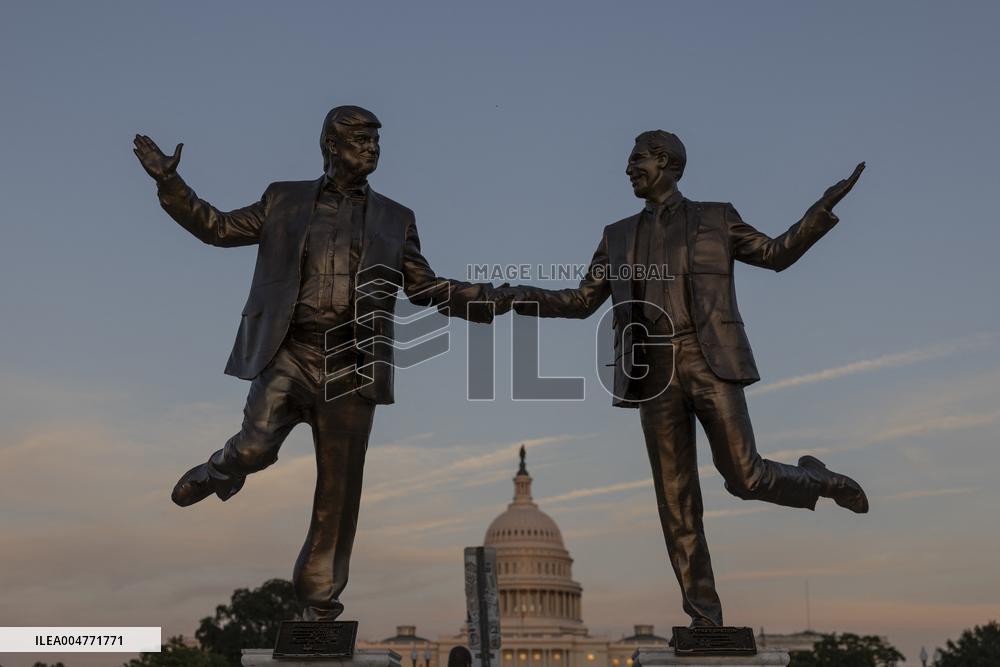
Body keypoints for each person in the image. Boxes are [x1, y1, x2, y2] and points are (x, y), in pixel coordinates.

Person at [133, 106, 510, 620]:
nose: (373, 148)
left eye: (377, 140)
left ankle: (318, 601)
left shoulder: (396, 218)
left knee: (338, 490)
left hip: (352, 363)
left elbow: (423, 287)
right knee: (255, 447)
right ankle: (222, 469)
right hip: (290, 351)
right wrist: (171, 182)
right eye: (361, 139)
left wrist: (491, 298)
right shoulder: (282, 199)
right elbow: (217, 228)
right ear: (332, 145)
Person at [496, 130, 867, 627]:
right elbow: (581, 302)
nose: (628, 169)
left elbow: (776, 254)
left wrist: (819, 212)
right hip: (653, 373)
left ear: (667, 163)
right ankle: (704, 617)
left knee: (745, 477)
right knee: (676, 502)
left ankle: (819, 479)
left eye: (637, 160)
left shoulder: (716, 218)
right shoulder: (618, 235)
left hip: (708, 358)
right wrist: (510, 295)